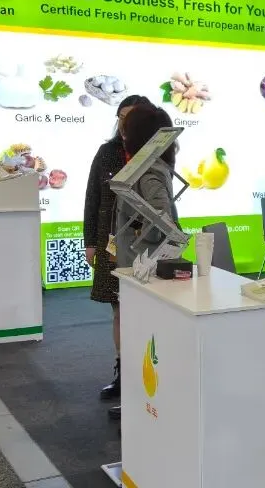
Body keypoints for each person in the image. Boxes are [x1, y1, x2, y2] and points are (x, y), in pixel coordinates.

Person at [109, 104, 181, 420]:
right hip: (143, 265)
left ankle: (143, 407)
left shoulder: (146, 169)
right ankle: (141, 405)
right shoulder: (146, 168)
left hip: (145, 266)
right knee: (144, 337)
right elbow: (160, 217)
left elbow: (161, 217)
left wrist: (142, 232)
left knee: (145, 338)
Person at [82, 95, 152, 406]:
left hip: (146, 243)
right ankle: (124, 374)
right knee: (119, 309)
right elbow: (92, 197)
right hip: (110, 240)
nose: (125, 123)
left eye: (131, 117)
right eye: (121, 116)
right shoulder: (107, 152)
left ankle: (146, 373)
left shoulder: (154, 153)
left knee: (145, 310)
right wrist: (90, 241)